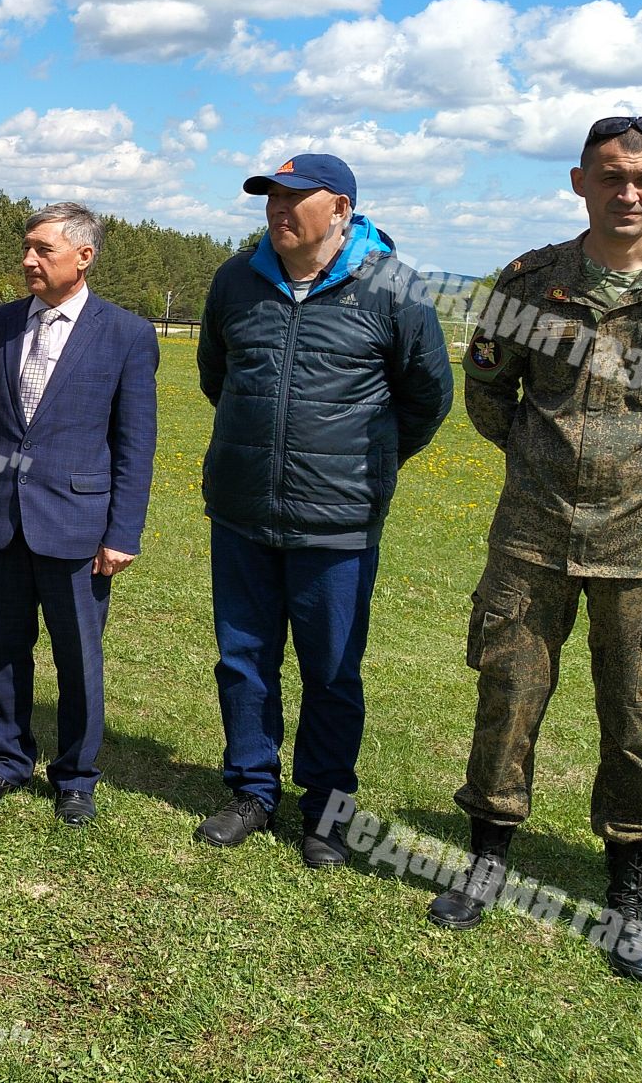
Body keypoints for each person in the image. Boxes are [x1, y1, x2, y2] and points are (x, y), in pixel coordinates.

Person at [428, 115, 642, 985]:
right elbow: (488, 393)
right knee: (507, 698)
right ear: (580, 182)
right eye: (610, 176)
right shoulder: (531, 284)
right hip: (532, 540)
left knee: (637, 723)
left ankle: (628, 896)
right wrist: (545, 466)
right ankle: (486, 863)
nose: (627, 193)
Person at [195, 153, 452, 864]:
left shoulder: (394, 289)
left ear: (340, 208)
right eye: (271, 198)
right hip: (243, 510)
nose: (278, 209)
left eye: (294, 198)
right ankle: (251, 790)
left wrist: (366, 465)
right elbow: (218, 375)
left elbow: (427, 397)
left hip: (338, 521)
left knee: (332, 671)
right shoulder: (235, 280)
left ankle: (327, 811)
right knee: (243, 661)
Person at [0, 203, 158, 826]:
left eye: (43, 249)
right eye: (27, 247)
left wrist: (122, 532)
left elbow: (135, 443)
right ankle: (5, 759)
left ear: (84, 256)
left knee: (78, 658)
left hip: (78, 527)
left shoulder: (125, 334)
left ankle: (75, 777)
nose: (28, 260)